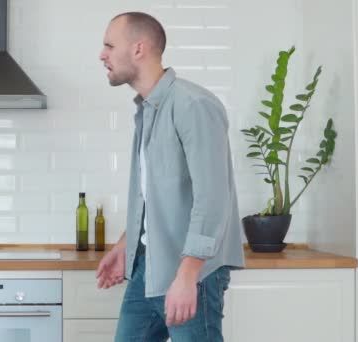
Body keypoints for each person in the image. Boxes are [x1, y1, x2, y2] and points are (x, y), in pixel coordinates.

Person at [96, 12, 245, 342]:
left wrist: (188, 273)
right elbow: (155, 194)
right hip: (147, 267)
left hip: (191, 272)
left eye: (109, 45)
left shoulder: (193, 105)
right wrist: (125, 245)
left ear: (139, 48)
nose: (102, 55)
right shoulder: (148, 109)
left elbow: (213, 198)